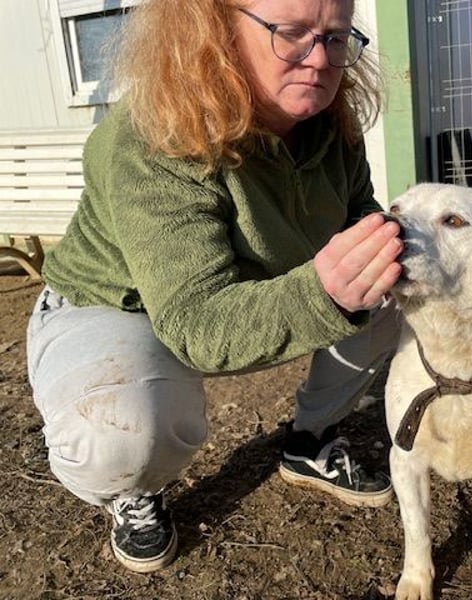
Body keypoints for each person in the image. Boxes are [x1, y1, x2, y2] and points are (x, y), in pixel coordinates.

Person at [25, 0, 403, 574]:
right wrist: (325, 293)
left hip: (237, 297)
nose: (321, 58)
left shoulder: (331, 128)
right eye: (292, 33)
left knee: (400, 294)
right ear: (213, 29)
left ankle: (310, 440)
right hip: (114, 308)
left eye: (335, 37)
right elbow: (197, 323)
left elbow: (359, 217)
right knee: (122, 427)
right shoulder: (151, 135)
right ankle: (134, 485)